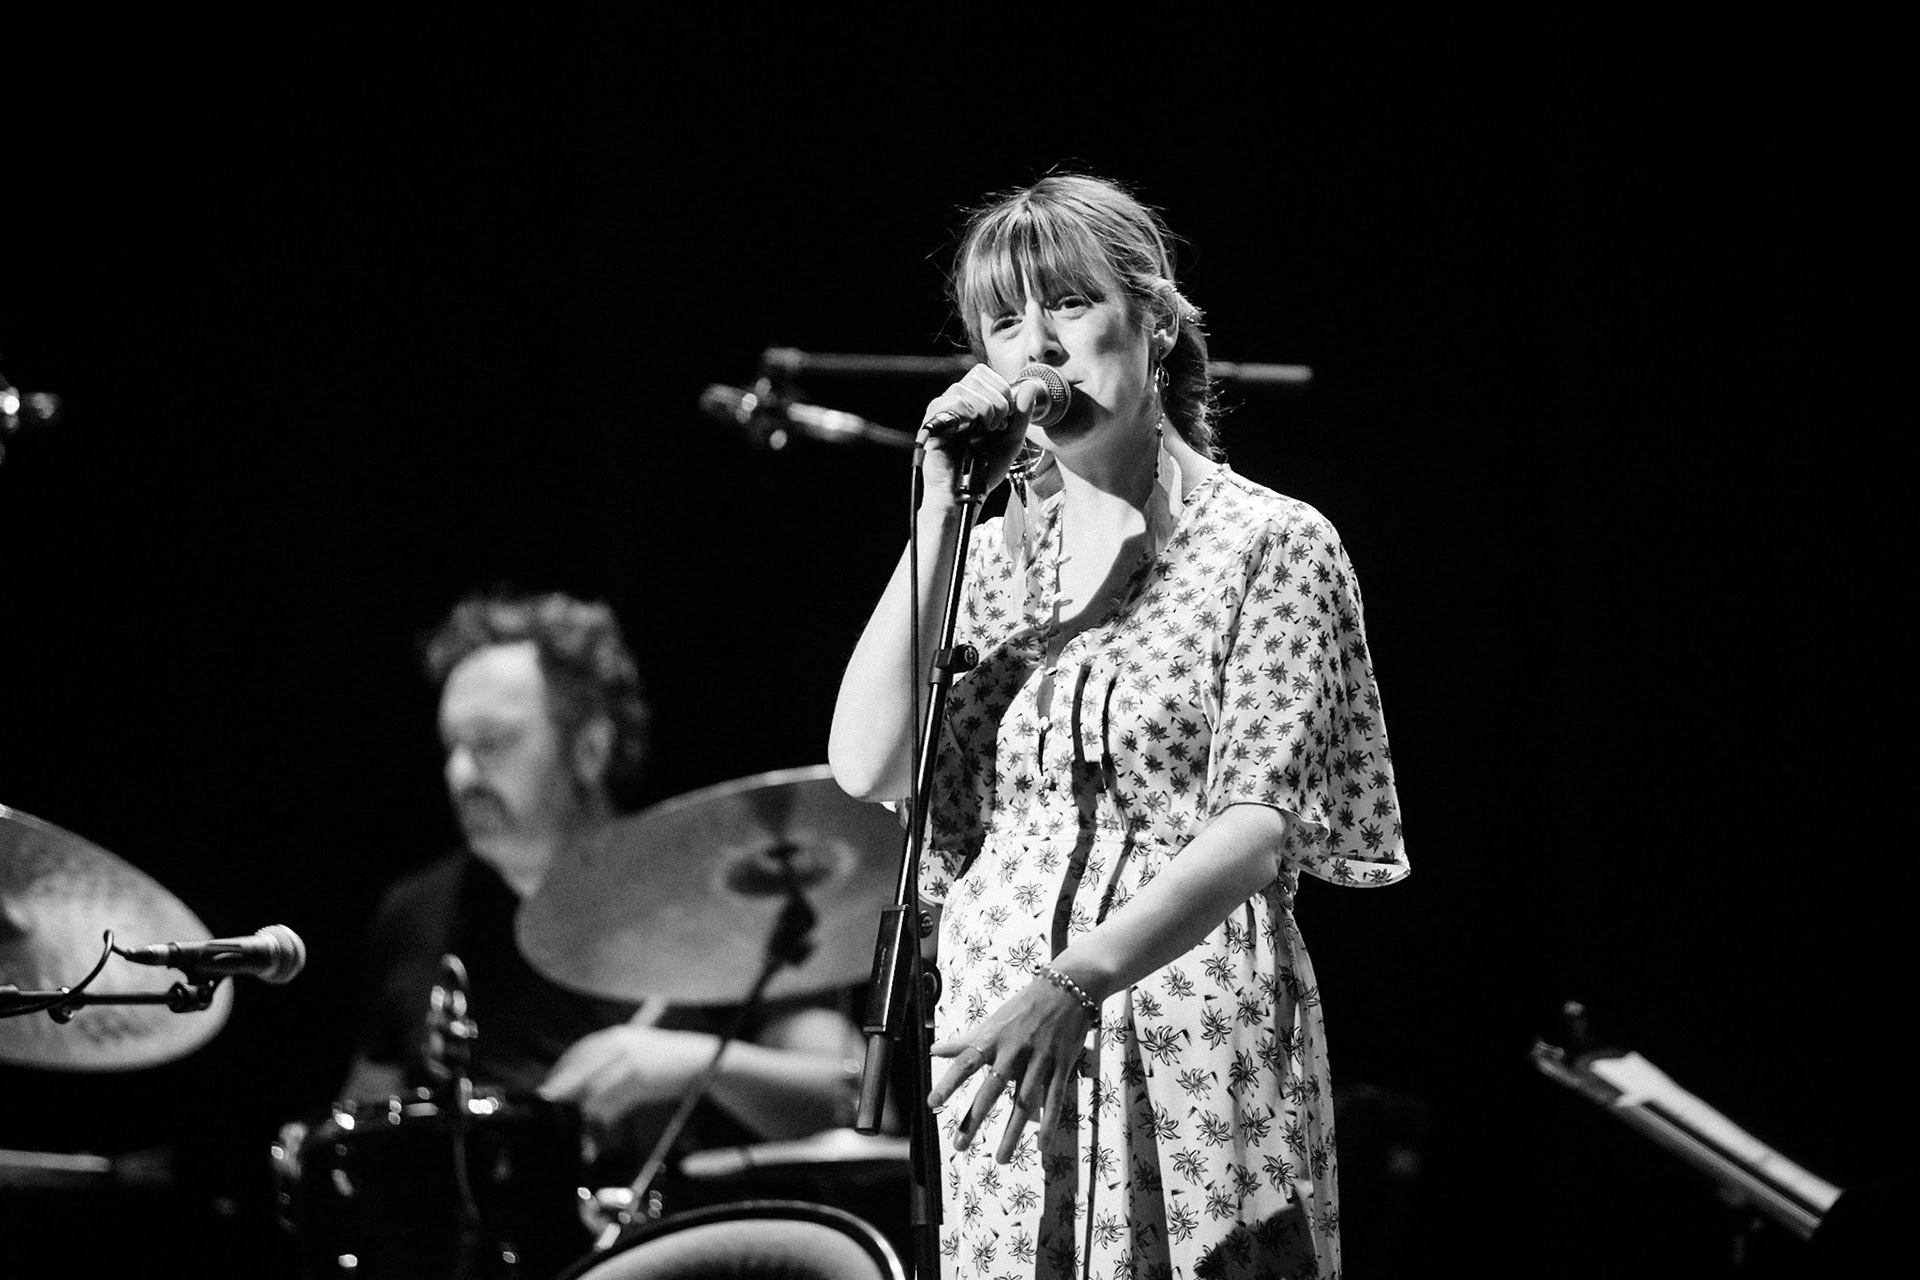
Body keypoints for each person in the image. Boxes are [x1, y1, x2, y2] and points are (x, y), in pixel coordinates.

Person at [829, 173, 1408, 1279]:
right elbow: (864, 762)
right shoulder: (985, 562)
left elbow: (1256, 826)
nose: (1038, 347)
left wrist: (1075, 977)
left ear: (1156, 320)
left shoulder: (1267, 543)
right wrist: (946, 508)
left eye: (1071, 306)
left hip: (1185, 1022)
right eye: (1006, 323)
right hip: (1007, 1053)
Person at [342, 590, 863, 1162]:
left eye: (491, 743)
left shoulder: (720, 887)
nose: (461, 774)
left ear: (590, 747)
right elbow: (359, 1133)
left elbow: (852, 1099)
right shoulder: (415, 915)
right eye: (452, 747)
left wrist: (693, 1064)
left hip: (685, 1244)